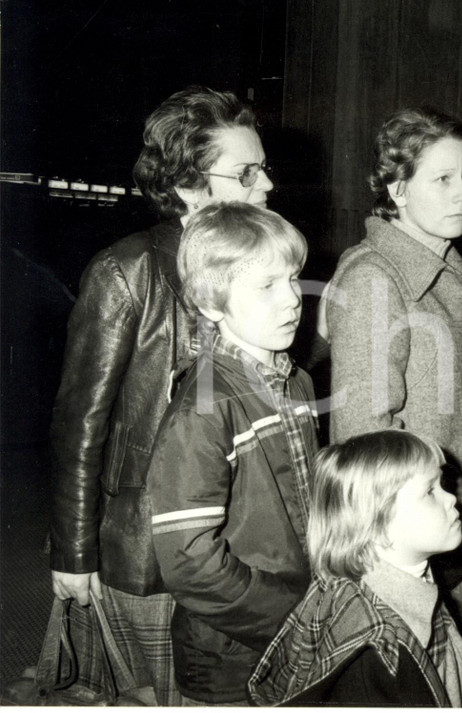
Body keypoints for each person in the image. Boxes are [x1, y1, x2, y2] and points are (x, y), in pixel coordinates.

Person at [47, 86, 273, 705]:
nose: (267, 186)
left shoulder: (260, 272)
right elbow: (79, 426)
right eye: (246, 173)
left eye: (264, 169)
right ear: (189, 188)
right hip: (147, 550)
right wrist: (73, 551)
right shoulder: (129, 270)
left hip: (238, 542)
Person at [321, 106, 462, 705]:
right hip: (425, 543)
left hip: (459, 527)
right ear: (396, 187)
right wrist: (450, 512)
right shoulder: (374, 279)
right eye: (442, 179)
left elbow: (439, 409)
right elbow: (366, 444)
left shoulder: (442, 271)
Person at [146, 202, 318, 704]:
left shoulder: (297, 382)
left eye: (293, 279)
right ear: (211, 304)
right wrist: (292, 618)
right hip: (233, 653)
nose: (292, 301)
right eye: (266, 286)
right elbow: (189, 561)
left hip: (301, 623)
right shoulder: (204, 407)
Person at [248, 429, 462, 706]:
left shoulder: (411, 583)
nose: (452, 498)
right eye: (430, 491)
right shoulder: (374, 654)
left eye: (443, 484)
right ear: (377, 523)